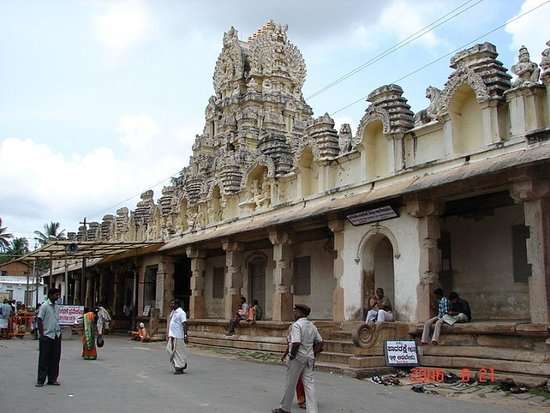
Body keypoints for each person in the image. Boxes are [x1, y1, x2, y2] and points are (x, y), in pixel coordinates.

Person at [273, 304, 323, 413]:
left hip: (297, 358)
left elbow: (296, 343)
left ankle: (285, 408)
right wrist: (312, 353)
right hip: (309, 358)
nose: (294, 314)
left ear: (300, 313)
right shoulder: (312, 325)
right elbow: (320, 342)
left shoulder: (297, 325)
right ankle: (313, 411)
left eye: (295, 312)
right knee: (309, 385)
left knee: (290, 384)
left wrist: (291, 356)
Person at [36, 288, 62, 387]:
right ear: (50, 295)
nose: (57, 297)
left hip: (56, 335)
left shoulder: (57, 307)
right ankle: (40, 380)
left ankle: (52, 379)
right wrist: (41, 335)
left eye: (58, 295)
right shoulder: (44, 306)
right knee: (44, 358)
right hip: (47, 335)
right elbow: (39, 320)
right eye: (56, 295)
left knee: (55, 358)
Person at [166, 300, 188, 374]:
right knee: (169, 349)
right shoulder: (173, 312)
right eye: (171, 303)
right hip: (172, 335)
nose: (171, 305)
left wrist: (185, 335)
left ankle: (179, 367)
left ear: (177, 304)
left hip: (178, 336)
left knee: (178, 352)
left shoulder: (181, 313)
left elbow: (184, 324)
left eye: (173, 304)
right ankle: (181, 364)